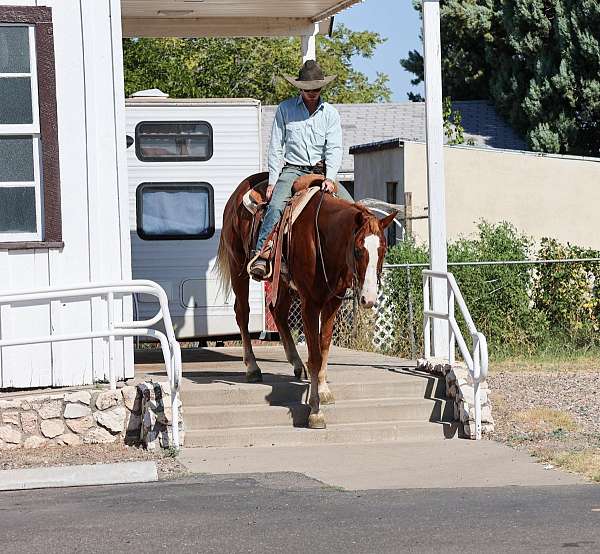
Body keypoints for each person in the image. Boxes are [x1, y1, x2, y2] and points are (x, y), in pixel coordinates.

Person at [248, 60, 354, 280]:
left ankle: (353, 262)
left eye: (316, 89)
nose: (312, 93)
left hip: (321, 171)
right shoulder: (285, 109)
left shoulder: (330, 114)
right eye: (307, 89)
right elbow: (276, 146)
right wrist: (272, 181)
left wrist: (331, 178)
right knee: (276, 205)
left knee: (351, 209)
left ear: (322, 88)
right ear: (300, 88)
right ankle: (262, 254)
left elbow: (334, 148)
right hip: (293, 170)